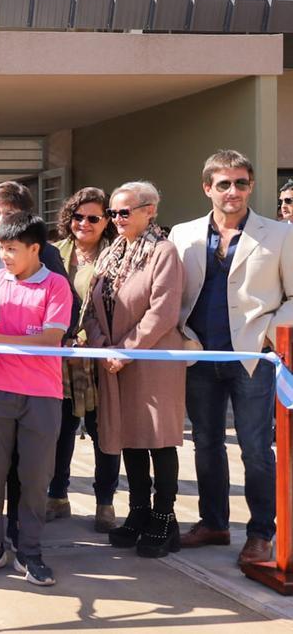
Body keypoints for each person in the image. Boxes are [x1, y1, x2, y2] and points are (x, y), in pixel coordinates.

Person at [170, 149, 293, 565]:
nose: (233, 191)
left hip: (252, 358)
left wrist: (267, 339)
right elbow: (172, 294)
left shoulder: (278, 234)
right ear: (208, 188)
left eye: (241, 183)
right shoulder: (182, 234)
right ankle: (214, 523)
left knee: (256, 448)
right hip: (199, 355)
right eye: (223, 184)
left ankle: (261, 532)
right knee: (205, 444)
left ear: (251, 186)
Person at [0, 181, 77, 545]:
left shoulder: (56, 285)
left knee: (34, 477)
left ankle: (30, 548)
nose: (4, 256)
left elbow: (51, 338)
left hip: (42, 394)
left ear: (35, 249)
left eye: (11, 249)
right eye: (1, 248)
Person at [82, 181, 185, 558]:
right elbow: (92, 309)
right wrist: (102, 347)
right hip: (114, 361)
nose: (117, 219)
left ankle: (164, 516)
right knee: (128, 437)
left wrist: (125, 350)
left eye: (125, 211)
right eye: (113, 212)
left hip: (152, 359)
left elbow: (163, 312)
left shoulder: (163, 252)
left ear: (150, 210)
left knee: (157, 437)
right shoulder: (111, 253)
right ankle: (139, 510)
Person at [47, 188, 121, 533]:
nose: (84, 224)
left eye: (94, 218)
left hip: (100, 357)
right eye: (78, 217)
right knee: (60, 431)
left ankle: (105, 502)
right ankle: (57, 496)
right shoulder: (54, 252)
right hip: (61, 359)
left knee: (102, 430)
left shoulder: (116, 254)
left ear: (106, 221)